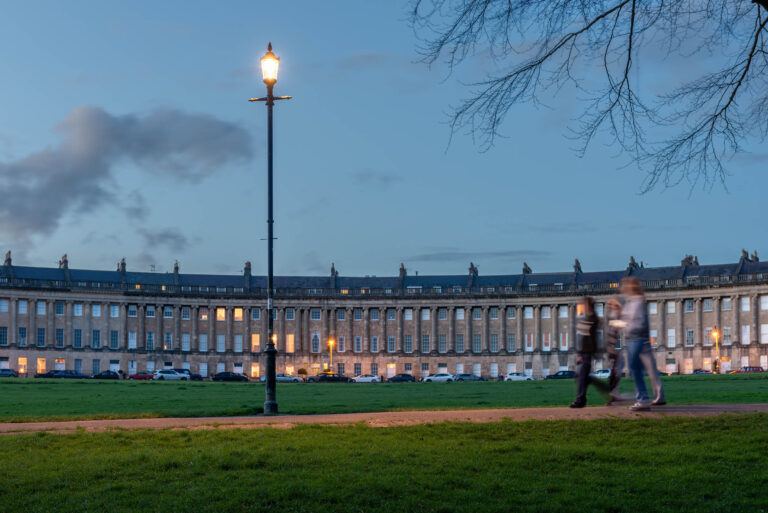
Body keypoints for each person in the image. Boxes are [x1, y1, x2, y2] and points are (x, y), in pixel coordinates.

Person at [618, 277, 665, 411]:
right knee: (647, 370)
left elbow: (639, 322)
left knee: (634, 369)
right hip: (636, 339)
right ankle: (656, 397)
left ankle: (643, 399)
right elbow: (628, 320)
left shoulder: (637, 301)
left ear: (630, 287)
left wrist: (626, 326)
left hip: (636, 338)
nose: (622, 288)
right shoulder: (631, 302)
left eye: (624, 285)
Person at [570, 296, 609, 408]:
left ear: (588, 305)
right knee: (582, 377)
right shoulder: (587, 317)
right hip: (584, 352)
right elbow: (582, 337)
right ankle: (605, 389)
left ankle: (580, 400)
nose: (582, 305)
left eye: (584, 304)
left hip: (587, 352)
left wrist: (583, 353)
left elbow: (590, 338)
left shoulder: (592, 318)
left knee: (582, 377)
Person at [604, 298, 625, 403]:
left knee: (615, 371)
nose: (610, 307)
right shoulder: (613, 316)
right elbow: (615, 327)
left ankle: (613, 394)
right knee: (617, 370)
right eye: (609, 305)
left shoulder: (613, 315)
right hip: (611, 347)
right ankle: (613, 394)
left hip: (611, 346)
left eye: (611, 305)